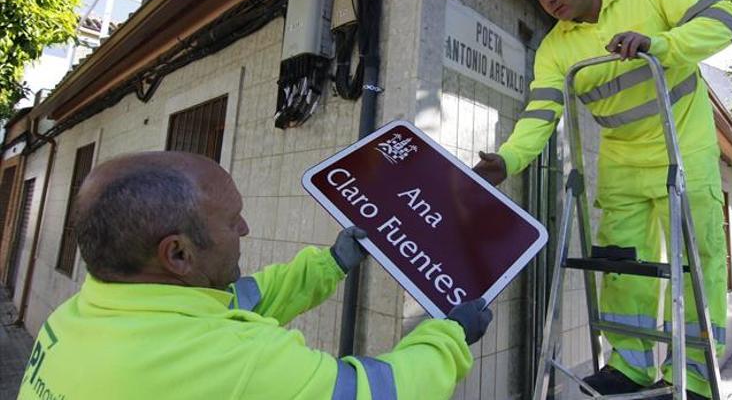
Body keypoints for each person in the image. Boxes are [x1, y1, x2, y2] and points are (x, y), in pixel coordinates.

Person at [473, 0, 732, 399]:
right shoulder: (554, 49)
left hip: (684, 148)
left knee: (698, 264)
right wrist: (509, 158)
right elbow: (541, 112)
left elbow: (727, 18)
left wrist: (661, 44)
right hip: (622, 162)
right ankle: (630, 367)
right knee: (621, 266)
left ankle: (694, 377)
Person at [18, 151, 492, 400]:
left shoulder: (81, 314)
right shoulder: (235, 363)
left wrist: (331, 263)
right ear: (178, 254)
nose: (244, 228)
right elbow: (379, 393)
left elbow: (244, 300)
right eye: (231, 220)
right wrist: (450, 337)